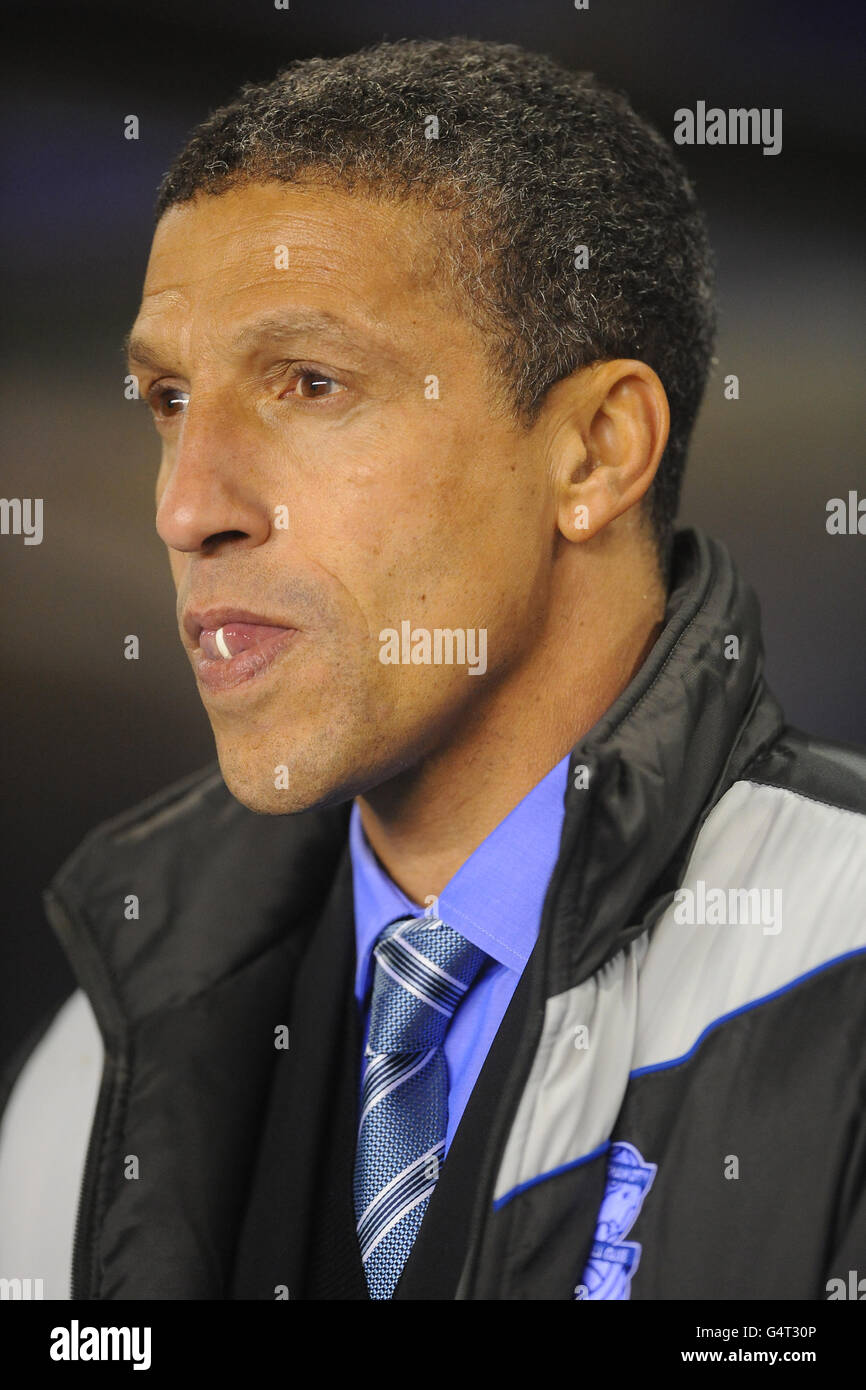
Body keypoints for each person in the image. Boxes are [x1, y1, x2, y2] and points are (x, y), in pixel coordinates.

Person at [1, 37, 864, 1302]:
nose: (187, 508)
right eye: (169, 398)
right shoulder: (97, 1065)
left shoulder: (838, 954)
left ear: (593, 452)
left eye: (307, 382)